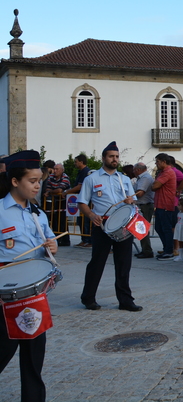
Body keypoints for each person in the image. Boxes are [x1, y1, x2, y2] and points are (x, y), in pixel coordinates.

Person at [0, 150, 58, 401]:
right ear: (15, 181)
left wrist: (51, 247)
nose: (37, 186)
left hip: (34, 295)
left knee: (34, 359)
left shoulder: (38, 213)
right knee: (3, 351)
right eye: (32, 181)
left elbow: (47, 247)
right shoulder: (0, 211)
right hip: (5, 297)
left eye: (39, 181)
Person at [78, 141, 141, 311]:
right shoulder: (92, 178)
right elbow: (82, 202)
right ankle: (88, 298)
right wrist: (91, 215)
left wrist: (130, 201)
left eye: (117, 157)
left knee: (123, 263)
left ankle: (125, 300)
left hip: (123, 224)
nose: (115, 159)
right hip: (102, 224)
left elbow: (131, 200)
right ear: (104, 158)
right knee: (97, 262)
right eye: (111, 156)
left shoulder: (124, 179)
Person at [152, 153, 178, 260]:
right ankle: (167, 248)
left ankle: (169, 251)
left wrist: (154, 184)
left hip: (166, 205)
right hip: (160, 205)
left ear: (163, 161)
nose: (156, 163)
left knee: (166, 229)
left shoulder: (167, 172)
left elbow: (155, 186)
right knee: (158, 227)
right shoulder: (162, 172)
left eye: (157, 161)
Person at [66, 154, 92, 248]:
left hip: (85, 200)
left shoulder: (86, 172)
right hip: (80, 199)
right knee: (80, 220)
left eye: (76, 161)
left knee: (85, 221)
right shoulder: (80, 172)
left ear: (81, 162)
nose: (75, 163)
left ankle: (88, 240)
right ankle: (84, 239)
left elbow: (80, 186)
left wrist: (67, 192)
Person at [42, 163, 71, 246]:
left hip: (63, 201)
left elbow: (59, 191)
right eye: (54, 169)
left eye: (57, 169)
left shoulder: (65, 178)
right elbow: (47, 187)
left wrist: (50, 192)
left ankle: (63, 240)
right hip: (55, 201)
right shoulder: (51, 177)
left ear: (62, 170)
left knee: (62, 220)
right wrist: (49, 191)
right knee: (55, 220)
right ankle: (59, 239)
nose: (55, 171)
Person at [132, 162, 156, 258]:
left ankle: (147, 250)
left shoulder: (145, 178)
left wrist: (129, 196)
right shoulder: (142, 178)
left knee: (143, 229)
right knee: (141, 228)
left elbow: (140, 192)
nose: (133, 172)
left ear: (138, 170)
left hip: (145, 205)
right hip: (143, 205)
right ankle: (145, 249)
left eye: (134, 170)